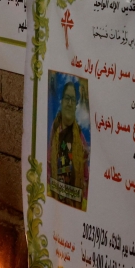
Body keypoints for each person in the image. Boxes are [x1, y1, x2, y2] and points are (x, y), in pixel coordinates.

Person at [48, 81, 89, 211]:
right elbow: (48, 164)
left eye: (73, 99)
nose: (69, 103)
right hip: (54, 201)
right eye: (67, 98)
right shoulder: (54, 132)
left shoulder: (80, 139)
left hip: (75, 205)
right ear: (61, 101)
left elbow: (85, 176)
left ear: (76, 105)